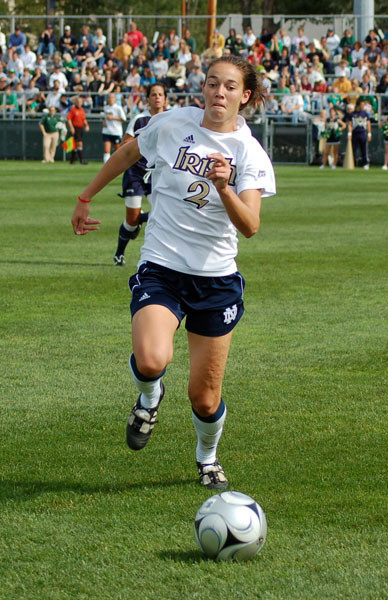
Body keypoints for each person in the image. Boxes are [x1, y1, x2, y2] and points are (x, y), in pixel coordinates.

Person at [71, 55, 276, 490]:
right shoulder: (170, 123)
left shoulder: (250, 154)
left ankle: (207, 458)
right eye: (212, 83)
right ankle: (149, 398)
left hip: (216, 280)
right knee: (151, 360)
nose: (219, 92)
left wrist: (224, 187)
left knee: (204, 399)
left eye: (230, 87)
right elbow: (129, 151)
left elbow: (251, 226)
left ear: (246, 96)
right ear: (202, 88)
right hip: (161, 267)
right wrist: (86, 195)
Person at [113, 83, 167, 266]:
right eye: (154, 94)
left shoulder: (172, 119)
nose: (157, 97)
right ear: (148, 99)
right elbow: (125, 143)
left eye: (160, 94)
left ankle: (160, 260)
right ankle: (119, 253)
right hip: (136, 172)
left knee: (162, 214)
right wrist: (141, 141)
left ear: (165, 99)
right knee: (131, 220)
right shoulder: (140, 119)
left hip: (158, 173)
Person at [347, 98, 372, 169]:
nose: (363, 106)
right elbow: (350, 124)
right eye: (362, 104)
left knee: (364, 149)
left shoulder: (365, 114)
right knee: (353, 149)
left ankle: (365, 163)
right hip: (355, 133)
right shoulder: (352, 114)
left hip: (363, 133)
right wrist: (349, 133)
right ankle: (352, 163)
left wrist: (369, 133)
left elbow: (368, 124)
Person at [102, 92, 126, 163]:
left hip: (116, 132)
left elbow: (123, 119)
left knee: (117, 151)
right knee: (106, 150)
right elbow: (105, 118)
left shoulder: (118, 108)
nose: (110, 99)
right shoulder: (106, 108)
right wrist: (104, 122)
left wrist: (113, 118)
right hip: (107, 131)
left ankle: (118, 164)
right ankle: (106, 166)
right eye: (109, 98)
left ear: (115, 99)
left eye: (112, 97)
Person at [67, 95, 90, 164]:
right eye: (78, 102)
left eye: (80, 102)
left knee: (75, 144)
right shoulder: (73, 110)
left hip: (80, 128)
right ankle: (81, 159)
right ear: (76, 103)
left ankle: (72, 160)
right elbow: (69, 119)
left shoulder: (82, 110)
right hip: (75, 128)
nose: (79, 103)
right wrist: (71, 127)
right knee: (79, 143)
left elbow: (84, 119)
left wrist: (87, 125)